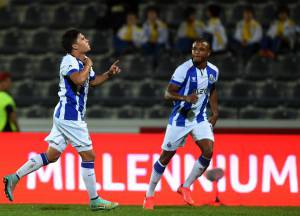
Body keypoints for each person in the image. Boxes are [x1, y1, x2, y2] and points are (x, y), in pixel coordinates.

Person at [3, 29, 121, 211]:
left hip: (66, 115)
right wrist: (88, 64)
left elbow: (93, 81)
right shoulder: (69, 61)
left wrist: (109, 74)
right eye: (82, 38)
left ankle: (14, 177)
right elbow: (79, 80)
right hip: (70, 116)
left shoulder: (81, 61)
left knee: (52, 155)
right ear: (75, 46)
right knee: (89, 156)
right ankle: (95, 200)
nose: (87, 40)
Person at [143, 39, 219, 210]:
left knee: (209, 150)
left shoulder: (214, 71)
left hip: (199, 118)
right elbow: (167, 93)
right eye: (194, 49)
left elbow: (212, 89)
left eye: (201, 49)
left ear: (208, 53)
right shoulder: (183, 70)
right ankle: (149, 195)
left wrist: (215, 112)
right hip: (180, 119)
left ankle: (185, 186)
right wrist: (185, 98)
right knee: (165, 157)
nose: (197, 52)